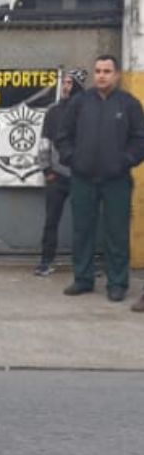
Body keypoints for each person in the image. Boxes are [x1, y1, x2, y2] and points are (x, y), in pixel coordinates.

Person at [55, 55, 144, 305]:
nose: (102, 75)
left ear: (117, 75)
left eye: (107, 71)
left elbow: (139, 139)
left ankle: (117, 283)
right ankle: (83, 279)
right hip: (83, 179)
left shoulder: (129, 104)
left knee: (116, 234)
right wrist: (73, 159)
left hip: (117, 180)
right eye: (98, 71)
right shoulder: (80, 103)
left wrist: (124, 161)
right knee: (82, 230)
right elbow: (63, 136)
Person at [34, 69, 86, 277]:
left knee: (84, 222)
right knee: (51, 221)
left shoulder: (87, 111)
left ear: (79, 86)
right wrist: (47, 170)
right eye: (64, 83)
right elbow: (44, 142)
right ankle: (45, 262)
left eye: (70, 83)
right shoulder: (53, 111)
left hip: (82, 176)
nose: (65, 87)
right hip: (57, 175)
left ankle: (83, 265)